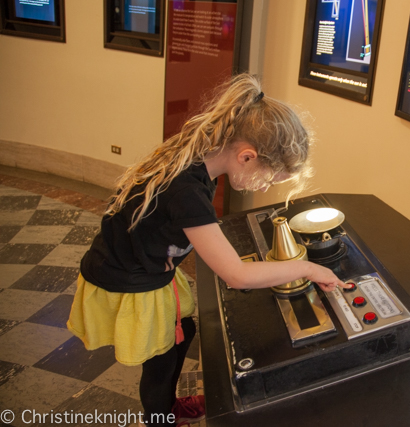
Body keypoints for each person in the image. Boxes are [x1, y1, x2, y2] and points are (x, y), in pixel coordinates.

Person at [67, 73, 348, 427]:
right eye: (267, 178)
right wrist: (308, 268)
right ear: (247, 156)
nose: (262, 188)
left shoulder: (202, 156)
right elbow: (236, 273)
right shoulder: (187, 192)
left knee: (184, 331)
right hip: (130, 278)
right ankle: (160, 417)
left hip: (148, 263)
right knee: (161, 360)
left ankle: (167, 406)